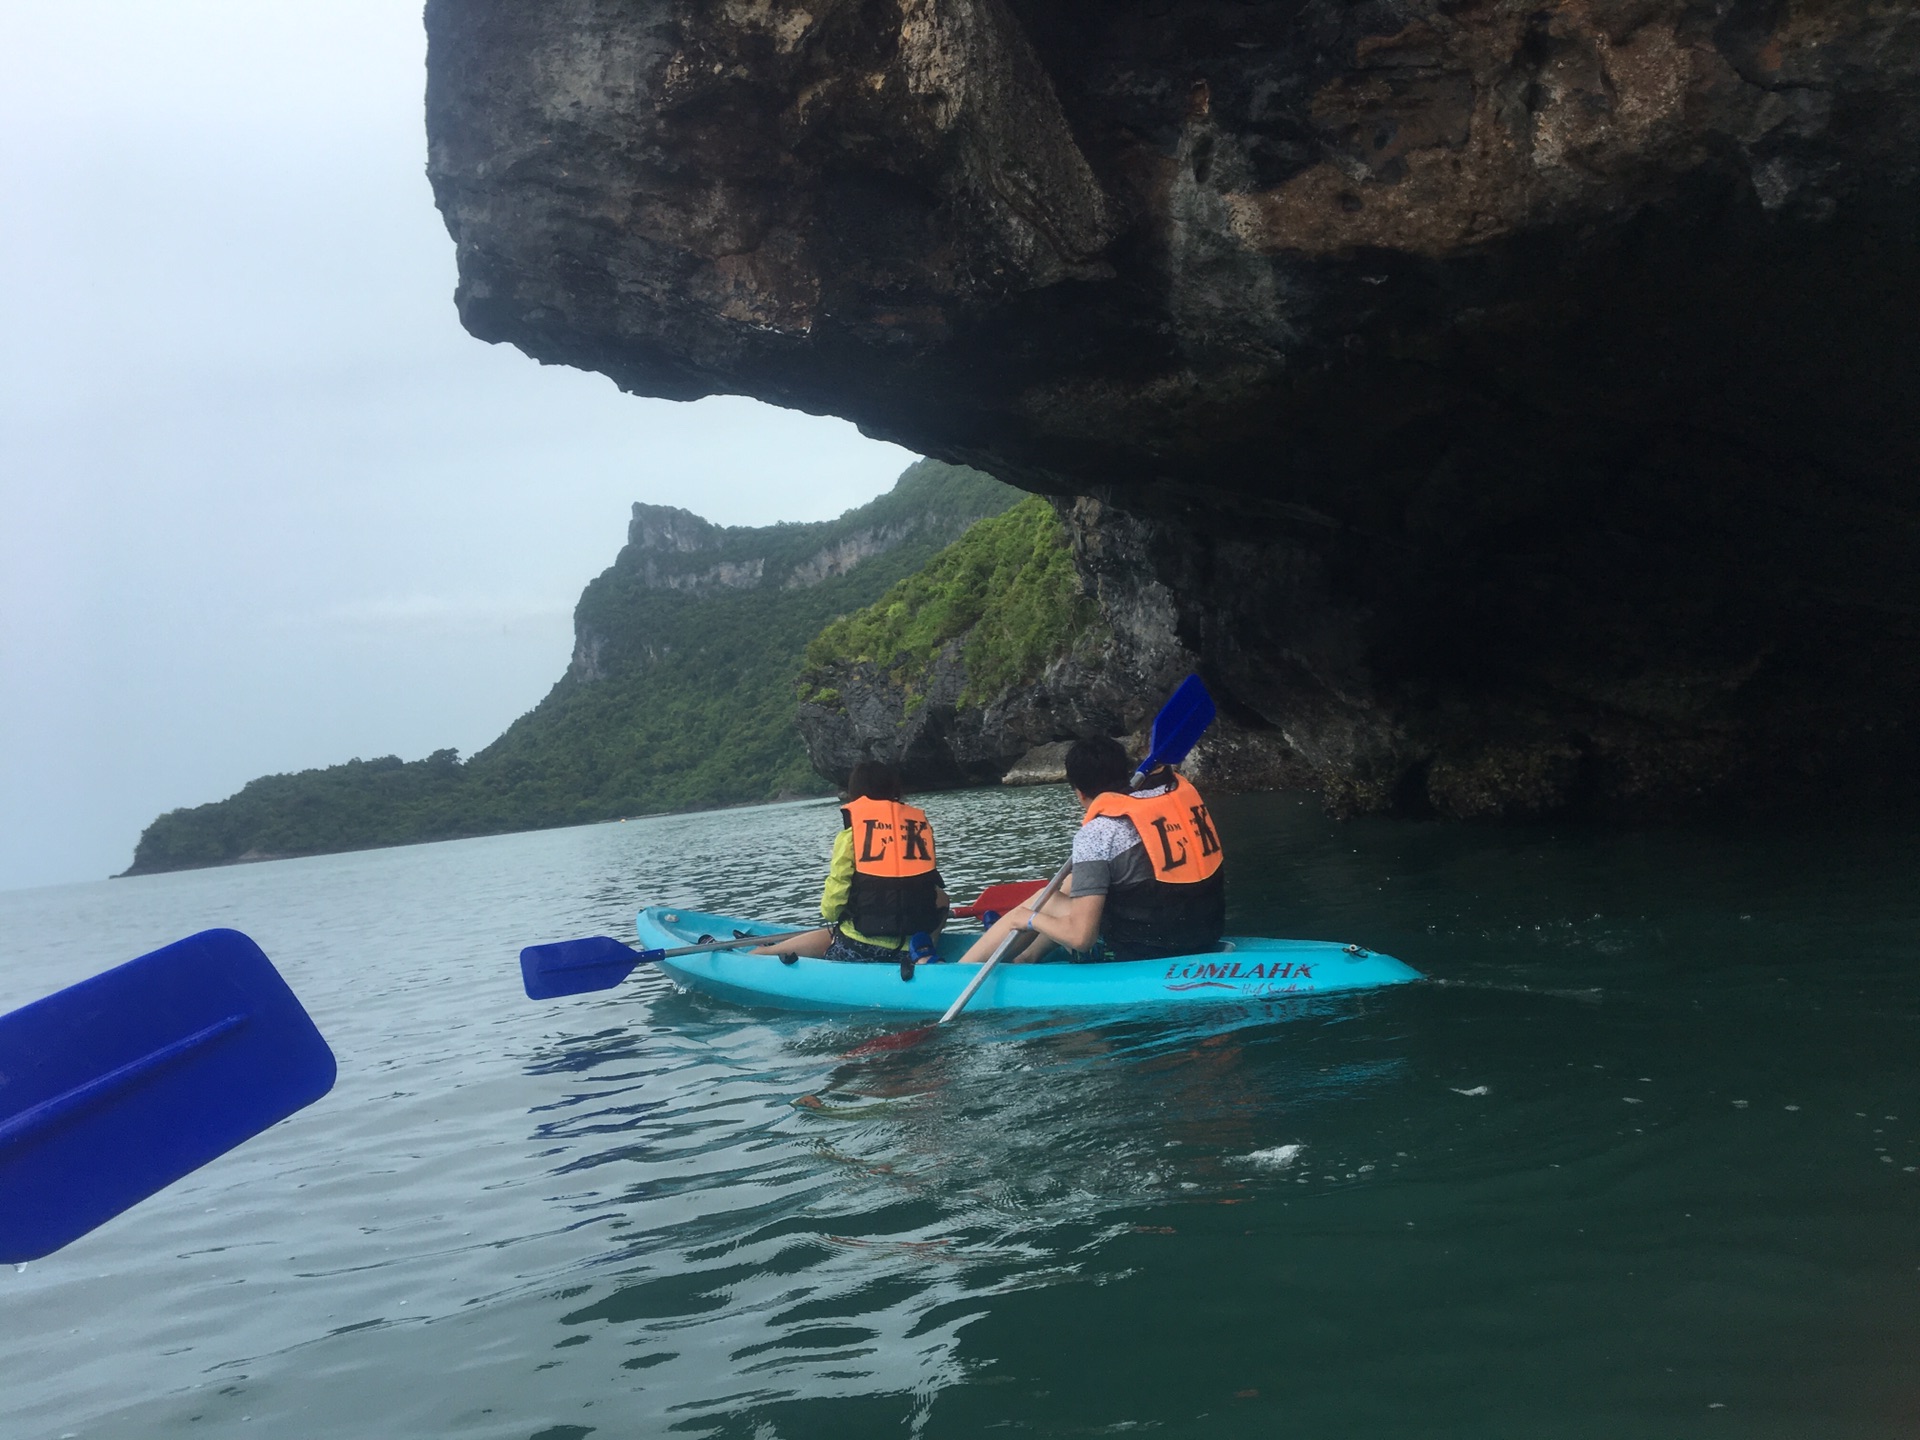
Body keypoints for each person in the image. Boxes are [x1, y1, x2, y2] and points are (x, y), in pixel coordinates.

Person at [956, 735, 1224, 965]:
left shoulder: (1097, 834)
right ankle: (1026, 958)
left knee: (1041, 901)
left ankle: (957, 973)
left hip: (1143, 949)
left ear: (1079, 793)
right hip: (1204, 931)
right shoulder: (1169, 806)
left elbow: (1081, 939)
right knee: (1071, 884)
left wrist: (1026, 919)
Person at [755, 760, 948, 963]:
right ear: (896, 791)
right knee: (942, 897)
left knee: (837, 931)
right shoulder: (919, 831)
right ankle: (924, 953)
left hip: (860, 949)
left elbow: (830, 910)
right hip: (911, 947)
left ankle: (764, 953)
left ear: (855, 794)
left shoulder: (850, 837)